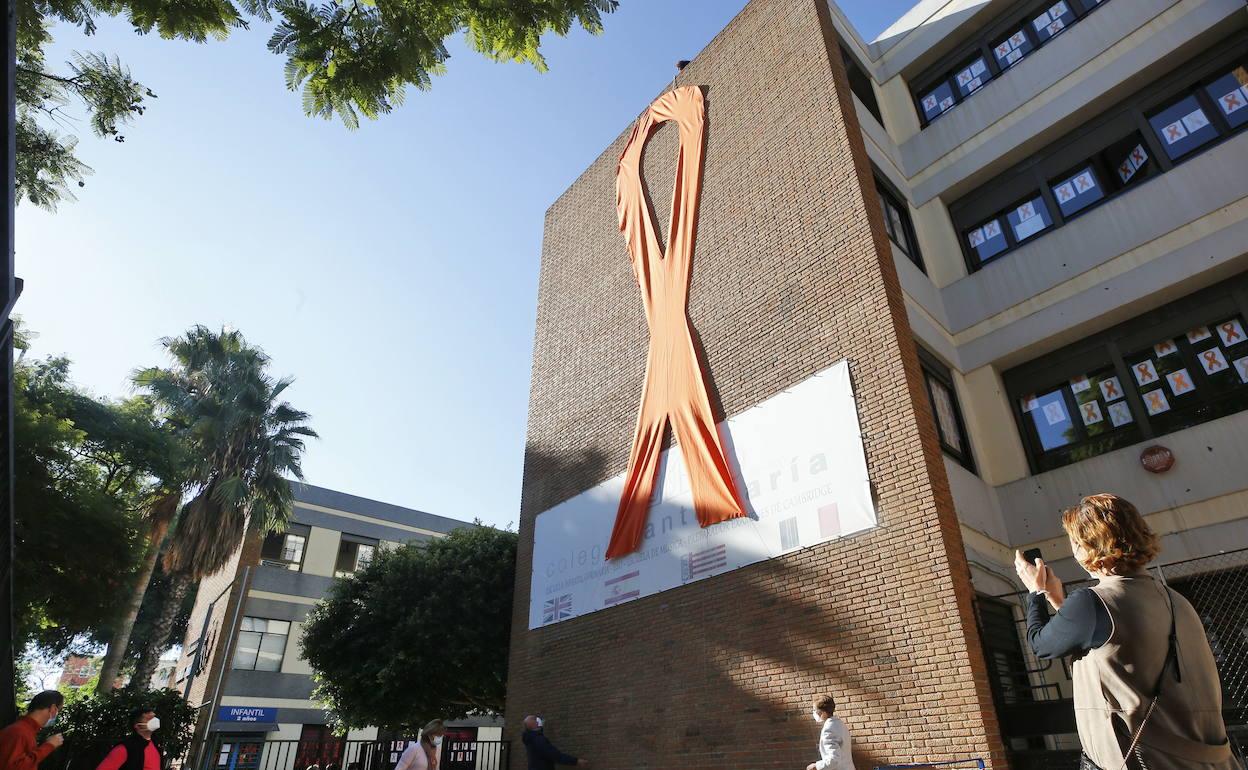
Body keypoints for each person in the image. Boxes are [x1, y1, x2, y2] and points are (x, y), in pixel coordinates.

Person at [1015, 493, 1241, 770]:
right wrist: (1060, 603)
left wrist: (1036, 593)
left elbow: (1041, 645)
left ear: (1088, 546)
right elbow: (1109, 641)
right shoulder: (1175, 600)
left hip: (1144, 761)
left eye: (1074, 542)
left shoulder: (1092, 602)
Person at [0, 690, 65, 770]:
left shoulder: (25, 730)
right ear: (53, 709)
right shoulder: (19, 731)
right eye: (59, 711)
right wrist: (48, 746)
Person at [95, 707, 164, 770]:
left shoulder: (156, 744)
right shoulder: (125, 748)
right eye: (149, 719)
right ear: (138, 726)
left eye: (154, 717)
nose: (155, 721)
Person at [807, 694, 855, 770]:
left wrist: (816, 766)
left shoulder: (829, 729)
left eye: (815, 710)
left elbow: (834, 759)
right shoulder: (840, 724)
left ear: (823, 713)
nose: (814, 713)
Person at [521, 716, 587, 769]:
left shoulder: (530, 738)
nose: (539, 721)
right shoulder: (538, 739)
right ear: (533, 724)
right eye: (536, 720)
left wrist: (540, 726)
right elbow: (555, 755)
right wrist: (576, 761)